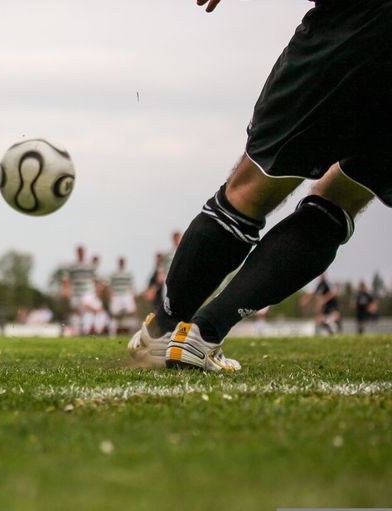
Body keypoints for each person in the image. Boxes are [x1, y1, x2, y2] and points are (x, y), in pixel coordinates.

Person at [129, 0, 391, 371]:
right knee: (342, 198)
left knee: (249, 190)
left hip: (353, 23)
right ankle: (203, 334)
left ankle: (166, 329)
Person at [61, 245, 99, 336]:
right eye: (79, 251)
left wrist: (97, 291)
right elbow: (66, 279)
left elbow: (95, 279)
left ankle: (86, 330)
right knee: (76, 311)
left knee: (86, 307)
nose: (80, 253)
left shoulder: (89, 265)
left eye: (82, 251)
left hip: (87, 292)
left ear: (84, 252)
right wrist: (66, 290)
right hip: (75, 292)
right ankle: (76, 331)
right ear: (76, 252)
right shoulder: (72, 266)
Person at [108, 256, 137, 337]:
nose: (121, 263)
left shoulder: (128, 274)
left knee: (132, 313)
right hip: (116, 295)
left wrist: (133, 297)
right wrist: (110, 296)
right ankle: (112, 335)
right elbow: (110, 286)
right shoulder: (113, 274)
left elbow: (132, 286)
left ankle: (132, 334)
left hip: (126, 295)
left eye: (122, 261)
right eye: (120, 261)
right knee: (114, 315)